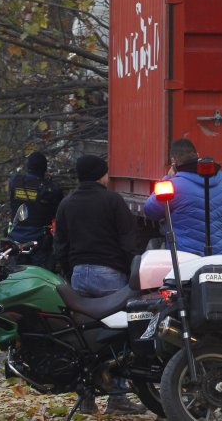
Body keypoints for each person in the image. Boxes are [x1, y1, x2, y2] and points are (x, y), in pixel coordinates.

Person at [52, 154, 144, 414]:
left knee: (85, 341)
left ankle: (87, 399)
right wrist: (131, 274)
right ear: (99, 175)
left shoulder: (66, 203)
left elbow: (60, 245)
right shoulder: (112, 200)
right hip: (110, 275)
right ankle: (117, 398)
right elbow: (128, 240)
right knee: (120, 338)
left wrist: (71, 273)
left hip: (79, 274)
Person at [143, 138, 222, 256]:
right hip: (220, 259)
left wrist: (167, 178)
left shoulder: (173, 185)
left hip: (184, 260)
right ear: (197, 155)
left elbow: (150, 210)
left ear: (173, 162)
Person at [7, 151, 64, 271]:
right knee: (40, 279)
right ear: (44, 168)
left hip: (16, 242)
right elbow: (59, 214)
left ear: (28, 167)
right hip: (40, 244)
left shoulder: (15, 182)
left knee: (15, 279)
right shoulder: (51, 189)